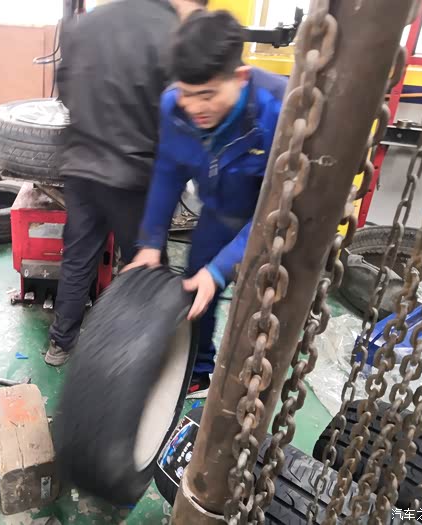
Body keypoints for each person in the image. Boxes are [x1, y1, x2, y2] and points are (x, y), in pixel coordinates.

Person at [126, 10, 288, 398]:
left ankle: (252, 389)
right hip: (217, 215)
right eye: (186, 92)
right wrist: (151, 242)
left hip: (277, 227)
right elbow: (168, 172)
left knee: (263, 312)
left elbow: (278, 210)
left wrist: (221, 269)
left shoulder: (279, 111)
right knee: (197, 293)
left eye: (208, 95)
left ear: (241, 77)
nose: (194, 106)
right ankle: (199, 369)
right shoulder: (175, 106)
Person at [45, 0, 208, 366]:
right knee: (143, 266)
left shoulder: (88, 22)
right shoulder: (173, 30)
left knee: (78, 257)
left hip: (81, 164)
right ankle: (133, 359)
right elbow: (180, 109)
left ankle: (61, 342)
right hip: (136, 176)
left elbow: (65, 89)